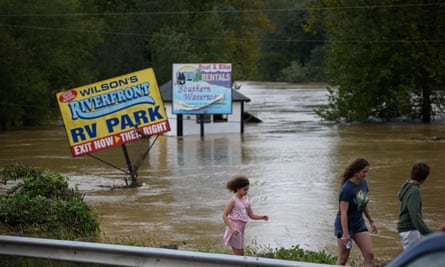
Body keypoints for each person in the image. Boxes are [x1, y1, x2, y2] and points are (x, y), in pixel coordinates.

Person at [334, 157, 377, 267]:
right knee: (343, 258)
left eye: (367, 171)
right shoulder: (346, 189)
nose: (366, 174)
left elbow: (363, 204)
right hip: (345, 226)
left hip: (358, 224)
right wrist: (346, 234)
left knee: (369, 254)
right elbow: (343, 213)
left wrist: (371, 221)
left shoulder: (363, 184)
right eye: (364, 171)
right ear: (356, 171)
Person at [222, 175, 268, 255]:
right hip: (235, 229)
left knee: (242, 253)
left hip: (242, 229)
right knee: (238, 254)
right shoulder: (233, 201)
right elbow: (224, 215)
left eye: (247, 189)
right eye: (244, 189)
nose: (246, 191)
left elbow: (251, 215)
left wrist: (262, 217)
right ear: (237, 189)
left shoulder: (246, 199)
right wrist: (232, 228)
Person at [397, 162, 432, 250]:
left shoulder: (407, 185)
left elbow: (399, 195)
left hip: (408, 230)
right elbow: (415, 217)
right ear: (425, 178)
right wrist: (430, 234)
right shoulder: (415, 191)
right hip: (410, 230)